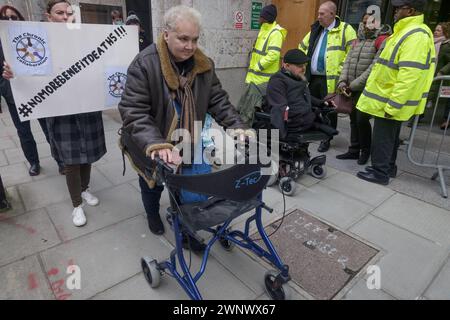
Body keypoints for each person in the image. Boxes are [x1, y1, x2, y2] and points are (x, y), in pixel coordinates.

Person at [118, 5, 251, 252]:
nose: (190, 46)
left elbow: (218, 100)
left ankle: (187, 228)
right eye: (183, 38)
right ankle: (153, 214)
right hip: (154, 141)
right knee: (153, 183)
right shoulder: (144, 64)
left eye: (195, 39)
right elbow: (133, 111)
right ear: (166, 34)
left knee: (192, 187)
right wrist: (157, 145)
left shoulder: (204, 65)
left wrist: (236, 126)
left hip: (190, 138)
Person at [356, 0, 436, 185]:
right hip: (388, 97)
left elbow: (409, 75)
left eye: (399, 8)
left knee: (383, 137)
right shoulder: (406, 32)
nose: (395, 11)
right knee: (389, 137)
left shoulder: (415, 35)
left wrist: (394, 104)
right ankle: (388, 168)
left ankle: (380, 172)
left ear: (411, 10)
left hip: (391, 100)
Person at [0, 5, 64, 176]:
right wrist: (4, 81)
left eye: (14, 17)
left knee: (48, 129)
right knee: (24, 132)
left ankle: (60, 161)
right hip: (13, 95)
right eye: (6, 18)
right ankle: (34, 162)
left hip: (37, 92)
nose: (10, 21)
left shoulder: (32, 35)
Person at [299, 1, 357, 152]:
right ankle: (313, 132)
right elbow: (302, 48)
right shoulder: (316, 29)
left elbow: (353, 54)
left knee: (330, 110)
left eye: (321, 14)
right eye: (318, 13)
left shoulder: (346, 29)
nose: (318, 17)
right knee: (312, 106)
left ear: (332, 14)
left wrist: (340, 72)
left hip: (331, 79)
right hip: (313, 78)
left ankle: (326, 138)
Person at [336, 13, 391, 165]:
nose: (367, 25)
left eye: (371, 23)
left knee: (362, 120)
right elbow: (347, 61)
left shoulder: (381, 40)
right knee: (353, 119)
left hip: (365, 88)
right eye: (365, 22)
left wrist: (353, 85)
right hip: (350, 86)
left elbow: (374, 67)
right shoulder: (357, 40)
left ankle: (365, 151)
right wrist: (342, 82)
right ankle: (354, 150)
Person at [265, 48, 337, 139]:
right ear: (287, 66)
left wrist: (322, 103)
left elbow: (305, 95)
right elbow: (279, 107)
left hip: (305, 120)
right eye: (299, 66)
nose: (303, 69)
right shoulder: (277, 81)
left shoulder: (297, 77)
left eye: (305, 65)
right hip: (293, 124)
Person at [236, 4, 286, 121]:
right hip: (254, 78)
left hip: (263, 81)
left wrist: (258, 66)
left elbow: (273, 55)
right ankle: (245, 128)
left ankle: (248, 130)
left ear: (266, 18)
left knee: (252, 109)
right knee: (246, 106)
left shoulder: (275, 33)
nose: (259, 19)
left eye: (261, 16)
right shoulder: (264, 30)